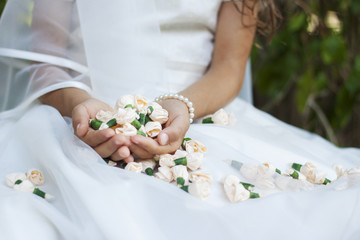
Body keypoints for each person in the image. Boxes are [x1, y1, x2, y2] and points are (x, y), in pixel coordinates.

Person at [0, 0, 359, 239]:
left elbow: (229, 66)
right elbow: (43, 59)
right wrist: (79, 103)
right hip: (79, 114)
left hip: (196, 113)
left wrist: (183, 106)